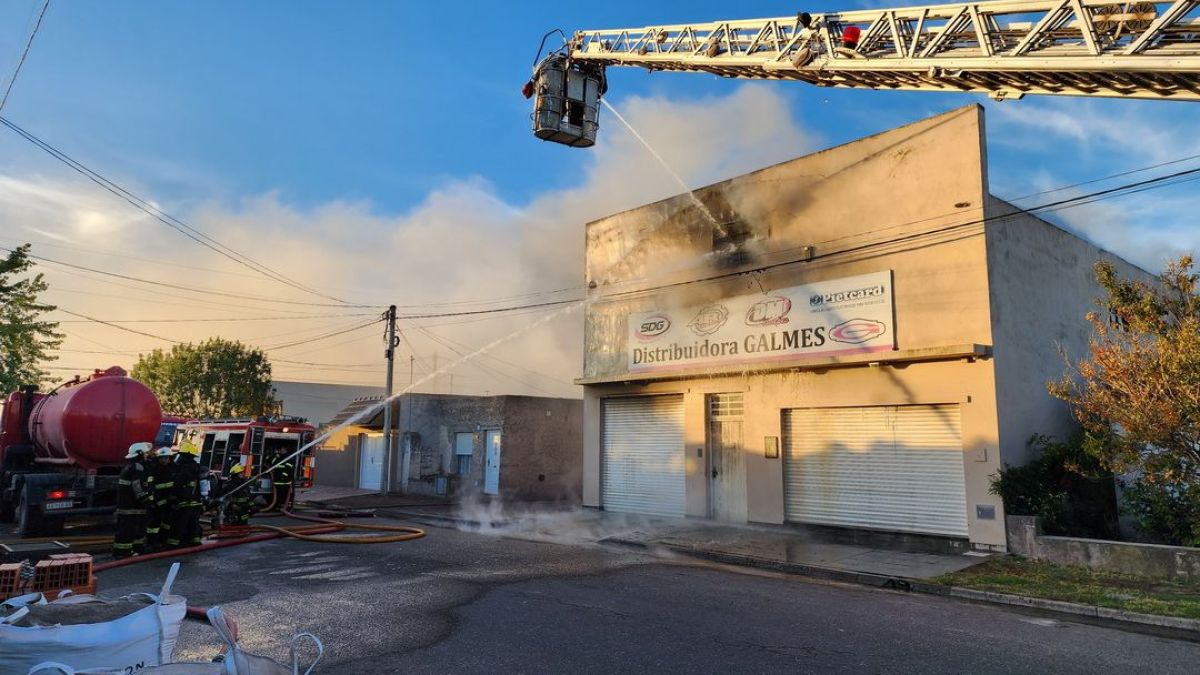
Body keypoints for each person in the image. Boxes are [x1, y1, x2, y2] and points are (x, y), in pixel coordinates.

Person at [113, 442, 151, 559]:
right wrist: (146, 499)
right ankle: (123, 553)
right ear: (140, 454)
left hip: (127, 506)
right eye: (145, 453)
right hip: (131, 507)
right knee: (128, 532)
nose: (146, 455)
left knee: (130, 530)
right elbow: (137, 486)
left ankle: (133, 550)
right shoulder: (138, 467)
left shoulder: (129, 466)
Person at [166, 440, 206, 549]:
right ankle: (194, 542)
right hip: (196, 503)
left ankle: (172, 545)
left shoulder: (180, 468)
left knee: (178, 525)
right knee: (193, 525)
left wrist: (172, 497)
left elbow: (176, 485)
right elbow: (203, 486)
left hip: (183, 503)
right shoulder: (198, 468)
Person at [145, 446, 176, 552]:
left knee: (167, 523)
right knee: (153, 523)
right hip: (157, 500)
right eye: (162, 458)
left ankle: (163, 541)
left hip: (169, 500)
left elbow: (176, 483)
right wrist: (152, 500)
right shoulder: (153, 468)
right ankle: (151, 543)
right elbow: (150, 485)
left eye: (166, 458)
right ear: (158, 458)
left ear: (169, 458)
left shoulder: (174, 468)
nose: (164, 460)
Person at [269, 447, 294, 512]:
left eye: (282, 450)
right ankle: (278, 506)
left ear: (286, 450)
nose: (281, 451)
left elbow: (288, 468)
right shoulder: (278, 457)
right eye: (280, 450)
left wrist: (283, 476)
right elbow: (272, 463)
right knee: (277, 495)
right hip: (277, 480)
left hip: (285, 481)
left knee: (285, 495)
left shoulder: (288, 457)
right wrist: (275, 456)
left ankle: (286, 507)